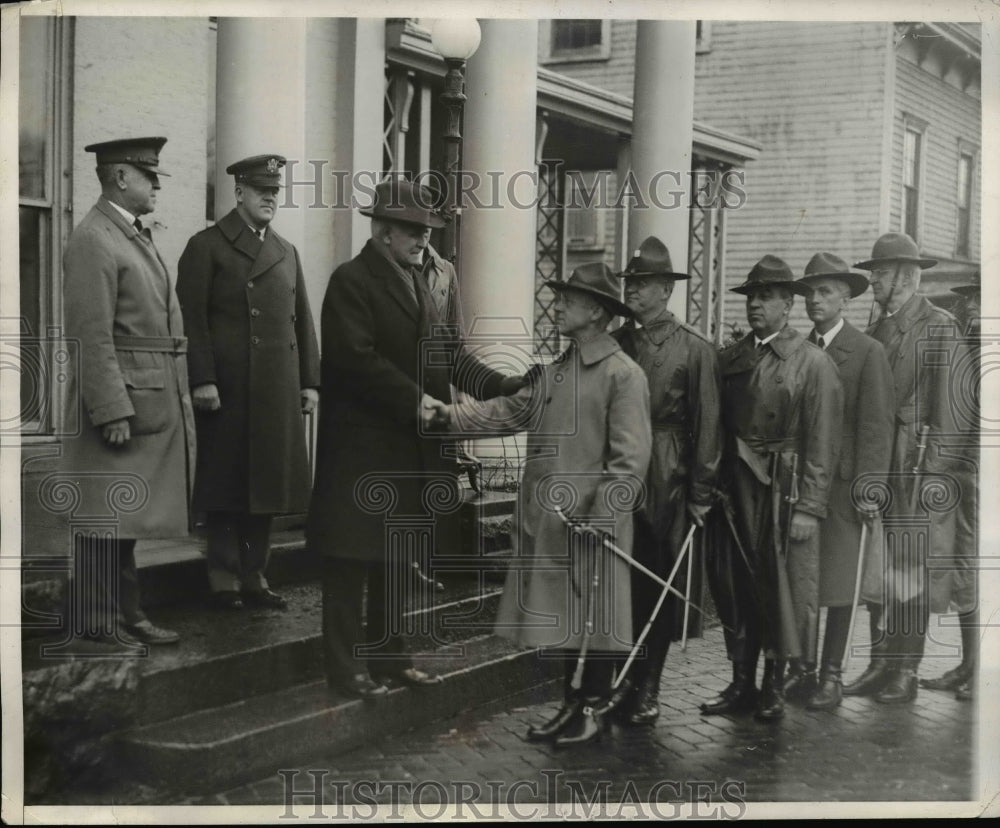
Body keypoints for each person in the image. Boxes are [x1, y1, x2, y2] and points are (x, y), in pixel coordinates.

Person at [307, 179, 528, 700]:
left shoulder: (421, 285)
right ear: (382, 230)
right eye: (413, 230)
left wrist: (503, 383)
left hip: (407, 452)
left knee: (392, 558)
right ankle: (346, 670)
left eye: (426, 231)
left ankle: (391, 659)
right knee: (349, 560)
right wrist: (417, 401)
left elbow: (450, 356)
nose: (423, 240)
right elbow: (355, 360)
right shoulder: (351, 281)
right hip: (361, 453)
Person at [446, 262, 652, 748]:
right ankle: (572, 705)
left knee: (595, 617)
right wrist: (444, 416)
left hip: (593, 523)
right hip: (554, 521)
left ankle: (594, 709)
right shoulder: (557, 371)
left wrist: (602, 516)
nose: (557, 305)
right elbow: (508, 411)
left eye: (569, 299)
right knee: (566, 618)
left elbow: (631, 459)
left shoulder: (624, 375)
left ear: (597, 311)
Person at [61, 137, 194, 647]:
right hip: (120, 402)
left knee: (123, 518)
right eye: (149, 174)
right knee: (102, 518)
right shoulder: (95, 238)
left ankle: (127, 613)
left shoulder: (128, 234)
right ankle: (98, 623)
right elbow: (89, 335)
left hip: (146, 397)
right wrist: (110, 408)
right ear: (120, 177)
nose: (157, 184)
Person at [700, 255, 843, 721]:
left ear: (788, 304)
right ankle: (740, 681)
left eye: (767, 297)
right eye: (752, 297)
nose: (756, 305)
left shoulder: (812, 363)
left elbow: (823, 442)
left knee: (780, 588)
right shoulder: (729, 360)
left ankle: (773, 684)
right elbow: (714, 427)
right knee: (733, 584)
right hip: (733, 488)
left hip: (782, 490)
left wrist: (810, 507)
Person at [176, 155, 320, 612]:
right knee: (226, 487)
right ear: (239, 192)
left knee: (267, 488)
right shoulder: (207, 246)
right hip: (228, 390)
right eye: (262, 190)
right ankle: (223, 579)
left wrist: (310, 382)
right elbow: (192, 321)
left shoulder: (285, 250)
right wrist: (203, 378)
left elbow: (303, 325)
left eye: (275, 191)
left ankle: (255, 576)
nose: (270, 198)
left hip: (276, 390)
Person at [607, 236, 722, 726]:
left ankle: (649, 685)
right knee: (618, 578)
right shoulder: (618, 342)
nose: (631, 290)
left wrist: (699, 494)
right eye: (629, 282)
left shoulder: (694, 348)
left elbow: (710, 426)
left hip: (667, 474)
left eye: (641, 283)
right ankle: (620, 680)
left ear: (663, 290)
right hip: (619, 468)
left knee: (657, 580)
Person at [852, 232, 967, 704]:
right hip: (883, 466)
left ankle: (905, 669)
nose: (873, 281)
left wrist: (932, 473)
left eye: (879, 273)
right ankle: (880, 663)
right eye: (874, 272)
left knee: (911, 568)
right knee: (880, 566)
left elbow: (955, 412)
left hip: (917, 468)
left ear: (904, 276)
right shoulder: (877, 331)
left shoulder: (939, 326)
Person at [791, 252, 894, 710]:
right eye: (811, 292)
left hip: (846, 485)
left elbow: (877, 426)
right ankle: (804, 671)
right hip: (804, 484)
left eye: (826, 291)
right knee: (806, 583)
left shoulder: (867, 351)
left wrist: (870, 488)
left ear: (846, 299)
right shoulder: (797, 350)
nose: (816, 300)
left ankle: (831, 676)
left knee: (840, 583)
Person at [919, 271, 980, 702]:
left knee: (978, 570)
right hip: (961, 471)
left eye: (982, 300)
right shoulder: (970, 346)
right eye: (971, 299)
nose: (973, 307)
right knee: (963, 570)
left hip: (981, 474)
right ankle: (969, 665)